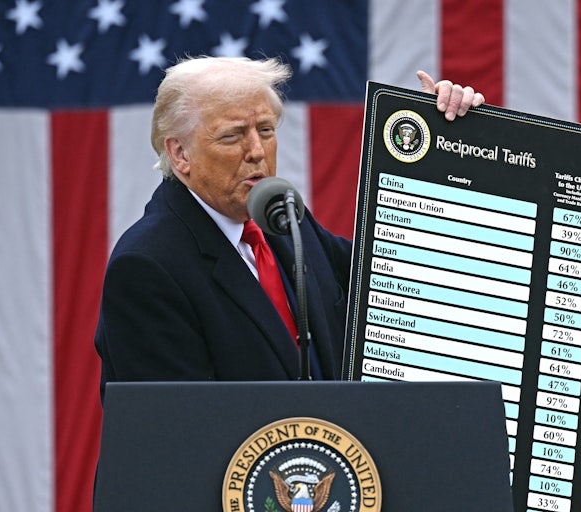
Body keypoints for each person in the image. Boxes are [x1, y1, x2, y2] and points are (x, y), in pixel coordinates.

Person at [93, 56, 485, 400]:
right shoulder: (146, 267)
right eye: (233, 135)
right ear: (180, 153)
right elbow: (178, 438)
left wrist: (447, 149)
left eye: (265, 130)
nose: (257, 151)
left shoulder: (282, 220)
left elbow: (395, 277)